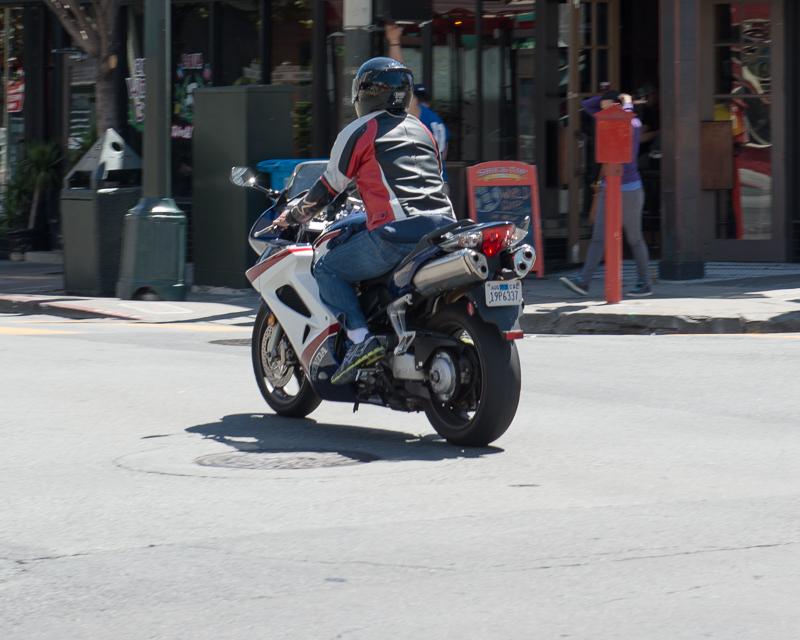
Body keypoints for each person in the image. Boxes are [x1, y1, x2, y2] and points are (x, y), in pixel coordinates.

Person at [272, 57, 454, 385]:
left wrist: (295, 214)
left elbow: (329, 187)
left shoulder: (361, 130)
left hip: (396, 233)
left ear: (365, 94)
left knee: (327, 267)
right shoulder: (422, 129)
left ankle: (360, 340)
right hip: (443, 229)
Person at [560, 90, 653, 298]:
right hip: (608, 185)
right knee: (598, 237)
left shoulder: (633, 123)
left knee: (634, 237)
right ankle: (583, 282)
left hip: (629, 187)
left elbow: (627, 120)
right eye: (603, 108)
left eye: (611, 107)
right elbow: (587, 104)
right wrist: (610, 98)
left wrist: (626, 103)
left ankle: (645, 282)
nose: (605, 110)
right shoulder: (606, 118)